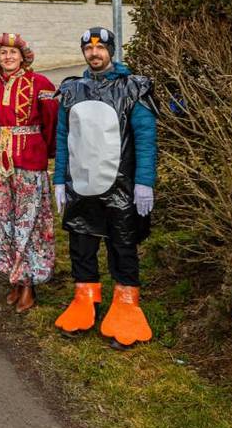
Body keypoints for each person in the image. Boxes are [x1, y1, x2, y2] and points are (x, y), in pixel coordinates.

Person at [54, 27, 157, 349]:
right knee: (81, 244)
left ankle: (126, 303)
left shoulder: (132, 89)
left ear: (111, 51)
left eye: (101, 48)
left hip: (122, 186)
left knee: (122, 245)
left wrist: (144, 183)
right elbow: (62, 138)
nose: (94, 54)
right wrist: (59, 179)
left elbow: (145, 139)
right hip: (81, 184)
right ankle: (85, 298)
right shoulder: (72, 91)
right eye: (89, 49)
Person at [0, 33, 58, 313]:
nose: (8, 57)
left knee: (29, 222)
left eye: (13, 53)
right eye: (3, 53)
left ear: (23, 56)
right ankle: (15, 276)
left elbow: (51, 122)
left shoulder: (41, 84)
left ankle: (28, 284)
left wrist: (42, 152)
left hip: (29, 161)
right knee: (2, 221)